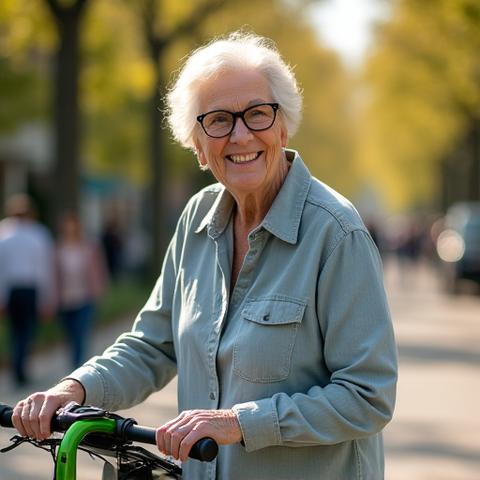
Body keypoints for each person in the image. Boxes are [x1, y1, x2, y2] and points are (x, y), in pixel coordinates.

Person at [12, 32, 398, 479]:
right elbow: (152, 345)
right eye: (218, 120)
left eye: (257, 113)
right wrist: (75, 388)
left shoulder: (336, 233)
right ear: (197, 146)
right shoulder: (196, 218)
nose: (240, 134)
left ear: (283, 125)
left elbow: (369, 395)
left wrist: (239, 422)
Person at [0, 194, 55, 386]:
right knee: (27, 330)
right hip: (30, 290)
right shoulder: (39, 234)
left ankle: (17, 367)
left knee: (15, 331)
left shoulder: (4, 233)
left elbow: (2, 269)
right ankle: (21, 367)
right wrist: (47, 298)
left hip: (12, 290)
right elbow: (43, 269)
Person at [55, 212, 108, 368]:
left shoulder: (90, 247)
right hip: (65, 299)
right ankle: (74, 361)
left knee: (81, 333)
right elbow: (53, 275)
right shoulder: (59, 248)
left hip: (85, 297)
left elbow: (99, 271)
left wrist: (100, 292)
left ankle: (77, 365)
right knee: (69, 334)